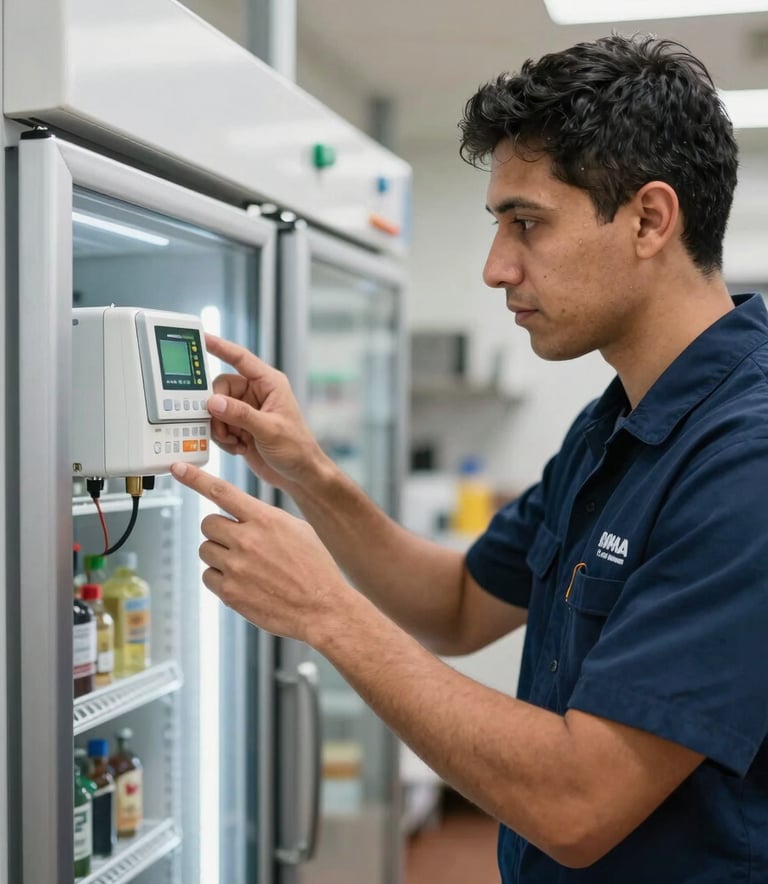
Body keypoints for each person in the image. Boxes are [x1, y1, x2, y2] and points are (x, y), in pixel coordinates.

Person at [171, 33, 768, 883]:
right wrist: (308, 472)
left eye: (526, 223)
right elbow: (455, 605)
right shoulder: (614, 429)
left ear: (649, 220)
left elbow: (579, 803)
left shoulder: (745, 459)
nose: (496, 268)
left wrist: (326, 613)